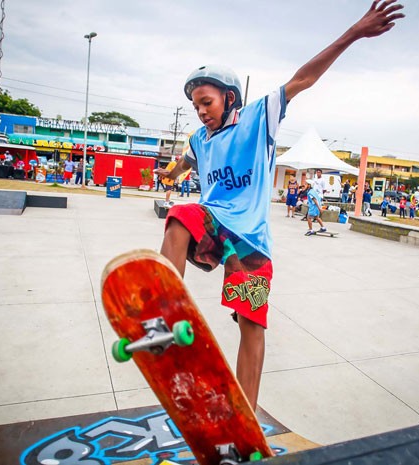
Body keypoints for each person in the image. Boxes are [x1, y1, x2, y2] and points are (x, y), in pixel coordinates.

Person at [153, 0, 403, 409]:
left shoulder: (258, 117)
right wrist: (168, 174)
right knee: (181, 215)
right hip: (214, 229)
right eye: (195, 106)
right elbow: (184, 163)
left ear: (229, 97)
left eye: (207, 103)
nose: (200, 113)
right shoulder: (200, 140)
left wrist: (354, 32)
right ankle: (167, 314)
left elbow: (303, 78)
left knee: (251, 324)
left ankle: (245, 414)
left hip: (250, 245)